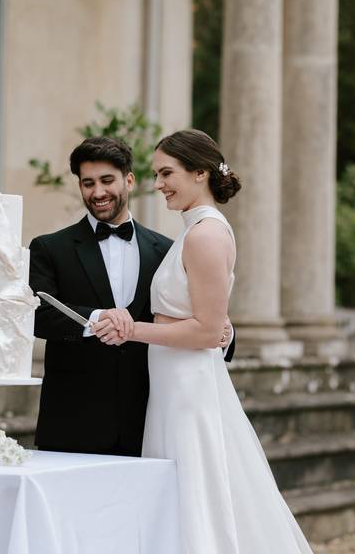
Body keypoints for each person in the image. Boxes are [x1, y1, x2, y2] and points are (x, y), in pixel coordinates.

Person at [96, 130, 313, 553]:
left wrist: (130, 329)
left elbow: (208, 332)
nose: (157, 184)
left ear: (200, 173)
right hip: (172, 384)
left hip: (189, 389)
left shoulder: (206, 235)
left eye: (166, 173)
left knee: (199, 494)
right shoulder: (194, 230)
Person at [29, 137, 234, 457]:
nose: (97, 192)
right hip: (74, 420)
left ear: (129, 180)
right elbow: (35, 314)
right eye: (88, 183)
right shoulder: (49, 248)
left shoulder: (168, 249)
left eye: (107, 180)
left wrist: (226, 331)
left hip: (151, 414)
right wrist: (99, 319)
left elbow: (200, 316)